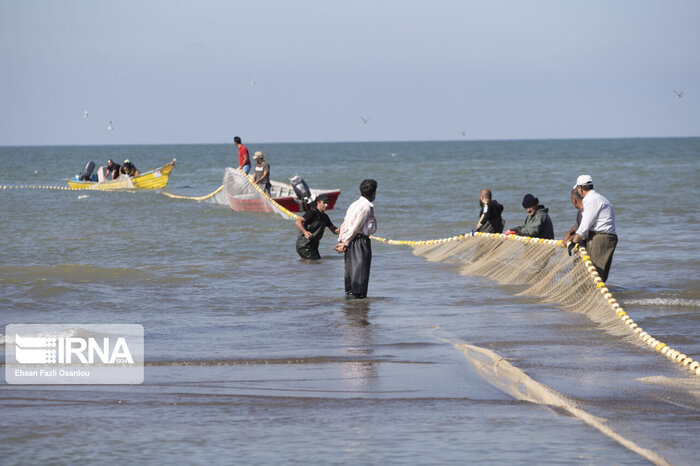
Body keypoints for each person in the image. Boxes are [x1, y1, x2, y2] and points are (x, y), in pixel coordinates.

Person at [334, 179, 378, 300]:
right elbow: (355, 227)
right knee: (360, 275)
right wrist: (345, 242)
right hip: (359, 242)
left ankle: (351, 304)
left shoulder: (354, 204)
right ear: (374, 193)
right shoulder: (366, 207)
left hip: (350, 240)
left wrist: (342, 241)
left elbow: (345, 224)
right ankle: (358, 306)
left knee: (351, 274)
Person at [569, 175, 617, 282]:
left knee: (595, 274)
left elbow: (586, 224)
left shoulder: (591, 200)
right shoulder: (599, 198)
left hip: (601, 238)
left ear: (580, 188)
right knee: (596, 273)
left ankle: (593, 296)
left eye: (578, 188)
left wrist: (574, 241)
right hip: (606, 237)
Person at [295, 194, 340, 260]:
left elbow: (334, 230)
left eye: (328, 203)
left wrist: (343, 229)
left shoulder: (325, 217)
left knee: (316, 263)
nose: (326, 205)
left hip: (314, 246)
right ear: (318, 202)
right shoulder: (311, 213)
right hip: (304, 244)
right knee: (313, 263)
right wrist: (305, 232)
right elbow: (298, 222)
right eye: (324, 203)